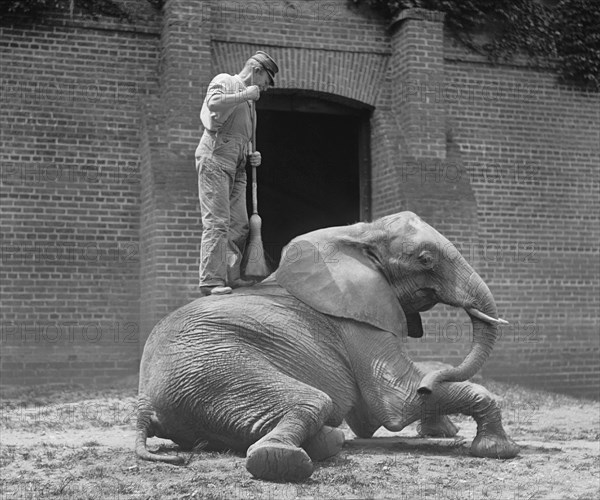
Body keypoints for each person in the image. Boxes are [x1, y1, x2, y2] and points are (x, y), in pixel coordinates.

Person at [195, 51, 278, 296]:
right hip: (216, 158)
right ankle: (211, 280)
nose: (265, 87)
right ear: (257, 71)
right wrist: (243, 94)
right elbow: (212, 104)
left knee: (240, 225)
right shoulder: (226, 81)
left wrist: (253, 156)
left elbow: (243, 137)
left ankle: (232, 275)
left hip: (239, 165)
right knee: (217, 222)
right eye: (266, 81)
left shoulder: (252, 105)